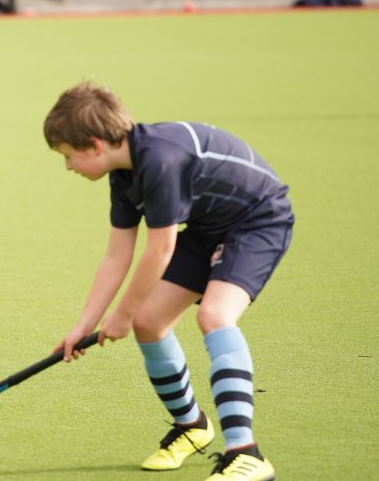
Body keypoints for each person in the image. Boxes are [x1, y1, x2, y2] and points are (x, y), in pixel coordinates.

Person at [43, 81, 292, 481]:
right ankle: (192, 427)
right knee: (150, 322)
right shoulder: (123, 173)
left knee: (214, 315)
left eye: (69, 156)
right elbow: (116, 255)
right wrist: (83, 325)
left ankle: (247, 454)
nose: (69, 166)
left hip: (258, 220)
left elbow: (159, 251)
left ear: (94, 145)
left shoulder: (160, 159)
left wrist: (121, 314)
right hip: (209, 227)